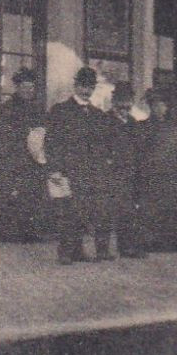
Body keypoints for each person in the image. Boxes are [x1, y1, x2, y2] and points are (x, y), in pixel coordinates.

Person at [43, 66, 112, 264]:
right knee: (67, 212)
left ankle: (78, 250)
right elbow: (51, 142)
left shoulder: (97, 114)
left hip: (90, 171)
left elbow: (102, 144)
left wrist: (102, 165)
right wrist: (54, 168)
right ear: (75, 86)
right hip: (67, 170)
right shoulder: (60, 110)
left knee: (84, 211)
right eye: (82, 86)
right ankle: (65, 252)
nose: (86, 91)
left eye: (90, 87)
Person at [0, 67, 46, 242]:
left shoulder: (37, 108)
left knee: (31, 194)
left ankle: (29, 231)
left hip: (33, 157)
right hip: (13, 157)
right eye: (25, 88)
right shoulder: (8, 108)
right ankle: (10, 233)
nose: (28, 91)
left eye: (31, 88)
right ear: (17, 88)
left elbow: (43, 131)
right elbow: (1, 135)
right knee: (12, 194)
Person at [140, 90, 177, 253]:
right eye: (156, 105)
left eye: (163, 105)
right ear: (151, 107)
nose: (160, 108)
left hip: (171, 176)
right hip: (152, 176)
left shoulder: (173, 129)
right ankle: (151, 240)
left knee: (171, 208)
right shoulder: (144, 127)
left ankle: (173, 240)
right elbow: (141, 152)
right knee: (152, 208)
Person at [106, 82, 146, 258]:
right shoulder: (105, 120)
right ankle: (104, 249)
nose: (124, 107)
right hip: (111, 172)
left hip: (130, 172)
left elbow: (138, 148)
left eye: (128, 102)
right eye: (121, 102)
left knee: (129, 211)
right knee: (109, 211)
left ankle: (128, 247)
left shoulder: (133, 123)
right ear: (114, 102)